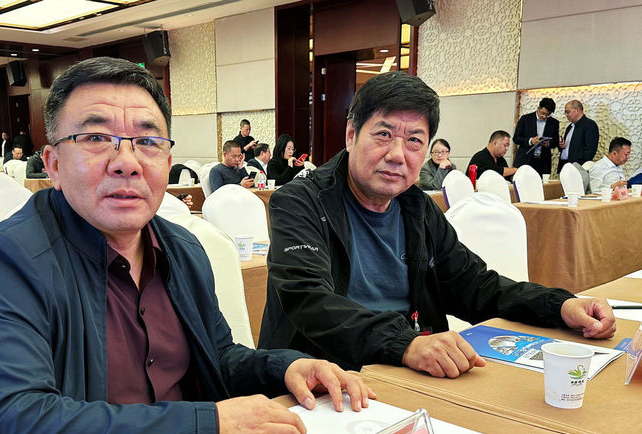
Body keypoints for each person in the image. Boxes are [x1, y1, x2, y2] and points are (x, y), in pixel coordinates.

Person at [0, 57, 373, 434]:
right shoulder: (7, 261)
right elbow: (13, 428)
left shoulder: (182, 249)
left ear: (167, 161)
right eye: (96, 138)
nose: (127, 163)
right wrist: (205, 429)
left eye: (147, 142)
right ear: (53, 164)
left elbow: (217, 357)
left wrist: (285, 368)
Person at [259, 71, 615, 376]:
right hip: (321, 378)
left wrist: (558, 306)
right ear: (351, 135)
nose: (397, 155)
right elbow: (311, 301)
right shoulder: (300, 202)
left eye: (414, 141)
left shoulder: (417, 208)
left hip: (404, 370)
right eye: (383, 135)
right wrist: (406, 343)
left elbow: (474, 286)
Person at [513, 98, 560, 176]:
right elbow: (516, 138)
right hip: (525, 159)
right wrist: (531, 141)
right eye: (543, 113)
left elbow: (555, 141)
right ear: (538, 108)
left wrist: (548, 143)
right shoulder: (525, 119)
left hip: (543, 162)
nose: (544, 116)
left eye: (548, 114)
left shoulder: (554, 123)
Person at [558, 100, 599, 172]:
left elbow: (590, 150)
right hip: (564, 165)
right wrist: (561, 146)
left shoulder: (589, 125)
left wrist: (580, 166)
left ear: (577, 110)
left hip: (578, 168)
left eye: (568, 112)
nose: (566, 115)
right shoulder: (569, 127)